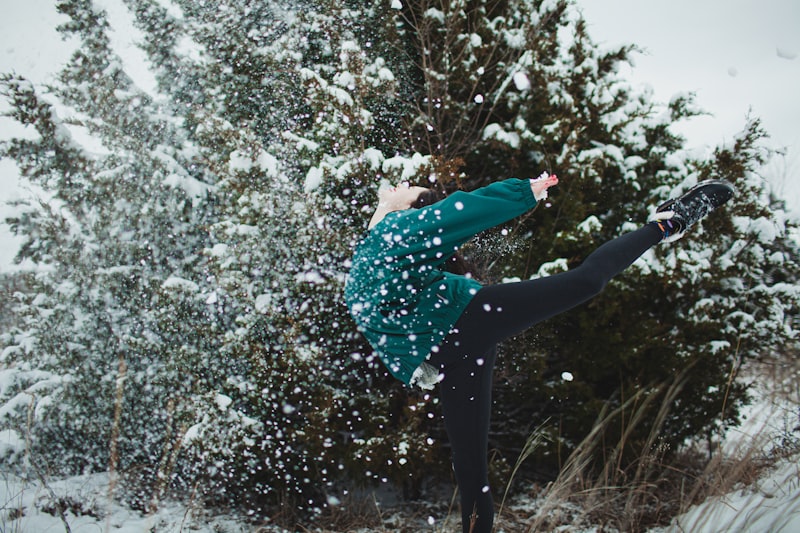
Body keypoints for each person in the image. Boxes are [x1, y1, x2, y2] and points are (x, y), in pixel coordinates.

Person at [344, 173, 734, 533]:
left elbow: (457, 210)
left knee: (586, 281)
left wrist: (520, 193)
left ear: (412, 210)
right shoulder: (376, 244)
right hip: (453, 354)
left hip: (469, 323)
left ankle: (668, 221)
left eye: (410, 190)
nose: (403, 183)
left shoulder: (396, 232)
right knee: (470, 469)